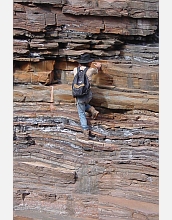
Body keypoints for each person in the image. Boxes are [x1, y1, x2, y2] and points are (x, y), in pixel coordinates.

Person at [73, 53, 102, 139]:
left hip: (78, 94)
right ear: (89, 62)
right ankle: (92, 110)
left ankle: (85, 130)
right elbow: (98, 71)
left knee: (81, 112)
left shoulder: (75, 69)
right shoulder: (91, 70)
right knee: (82, 104)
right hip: (88, 95)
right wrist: (99, 66)